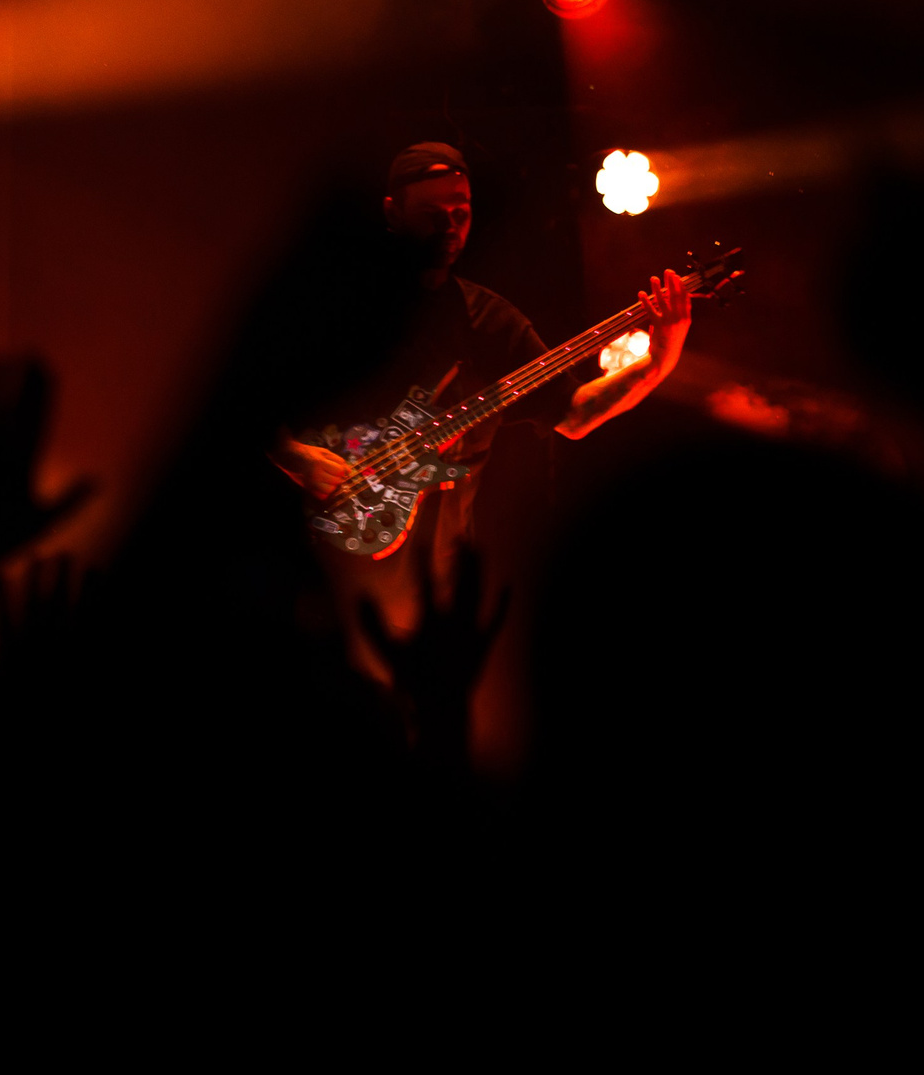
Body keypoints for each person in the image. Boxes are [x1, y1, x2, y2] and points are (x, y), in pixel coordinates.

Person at [271, 142, 690, 678]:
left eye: (461, 214)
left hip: (434, 599)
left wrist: (659, 361)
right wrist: (298, 457)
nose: (449, 228)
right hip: (321, 584)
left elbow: (573, 413)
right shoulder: (335, 309)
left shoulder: (492, 323)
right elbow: (239, 409)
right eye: (431, 214)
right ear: (392, 213)